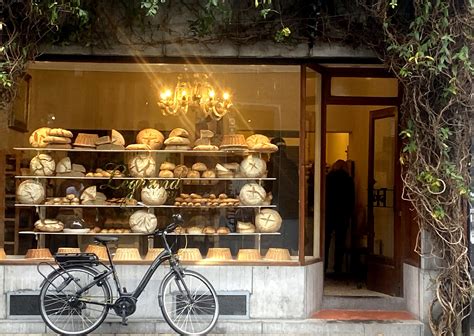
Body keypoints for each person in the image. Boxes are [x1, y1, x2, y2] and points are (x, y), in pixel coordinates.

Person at [265, 137, 299, 253]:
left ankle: (277, 254)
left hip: (278, 203)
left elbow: (268, 185)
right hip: (292, 204)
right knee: (289, 233)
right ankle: (287, 253)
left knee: (276, 230)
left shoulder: (271, 165)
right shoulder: (292, 164)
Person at [324, 159, 355, 274]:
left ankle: (323, 267)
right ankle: (338, 268)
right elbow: (351, 199)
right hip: (342, 214)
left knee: (325, 241)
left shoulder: (328, 178)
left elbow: (324, 195)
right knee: (340, 242)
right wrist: (350, 214)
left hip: (329, 212)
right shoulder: (348, 179)